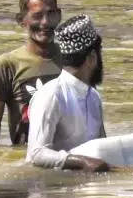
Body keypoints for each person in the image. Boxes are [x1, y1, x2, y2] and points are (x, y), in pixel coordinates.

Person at [25, 14, 111, 172]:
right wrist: (81, 162)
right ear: (92, 58)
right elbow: (36, 154)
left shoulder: (94, 97)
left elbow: (102, 148)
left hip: (86, 190)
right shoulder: (51, 95)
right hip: (52, 192)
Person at [0, 0, 63, 146]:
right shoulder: (7, 65)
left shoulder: (73, 59)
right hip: (26, 159)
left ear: (59, 16)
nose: (45, 22)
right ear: (22, 20)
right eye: (37, 16)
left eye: (51, 14)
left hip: (68, 158)